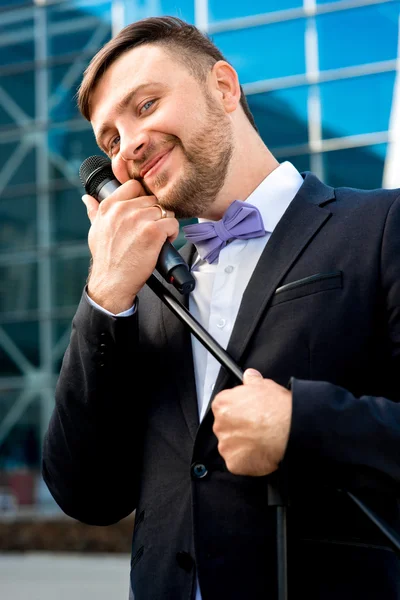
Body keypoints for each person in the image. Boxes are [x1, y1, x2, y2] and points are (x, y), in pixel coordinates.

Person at [42, 16, 400, 600]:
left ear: (225, 88)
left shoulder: (383, 225)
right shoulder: (140, 295)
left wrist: (303, 426)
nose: (128, 145)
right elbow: (87, 494)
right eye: (110, 140)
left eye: (147, 103)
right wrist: (105, 295)